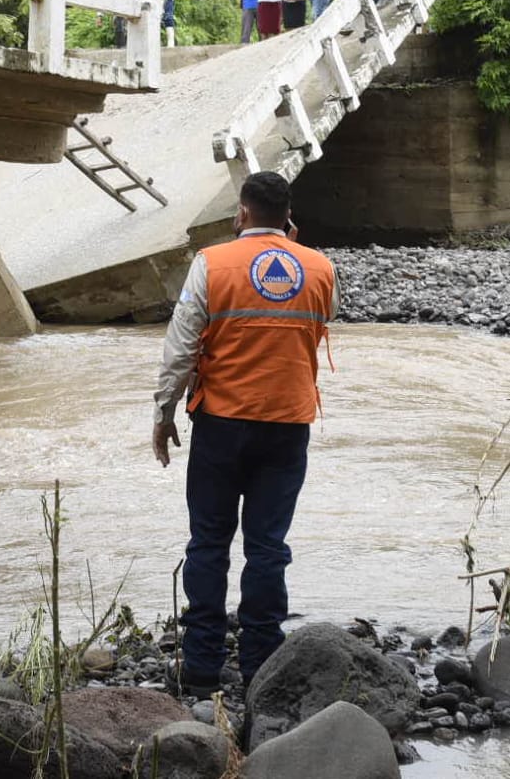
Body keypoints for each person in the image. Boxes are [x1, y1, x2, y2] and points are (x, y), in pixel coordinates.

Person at [153, 171, 338, 697]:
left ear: (241, 212)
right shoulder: (320, 268)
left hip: (221, 424)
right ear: (288, 217)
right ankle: (261, 664)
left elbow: (181, 347)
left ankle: (203, 665)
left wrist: (164, 415)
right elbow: (324, 316)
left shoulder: (211, 264)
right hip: (286, 426)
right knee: (268, 546)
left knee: (209, 541)